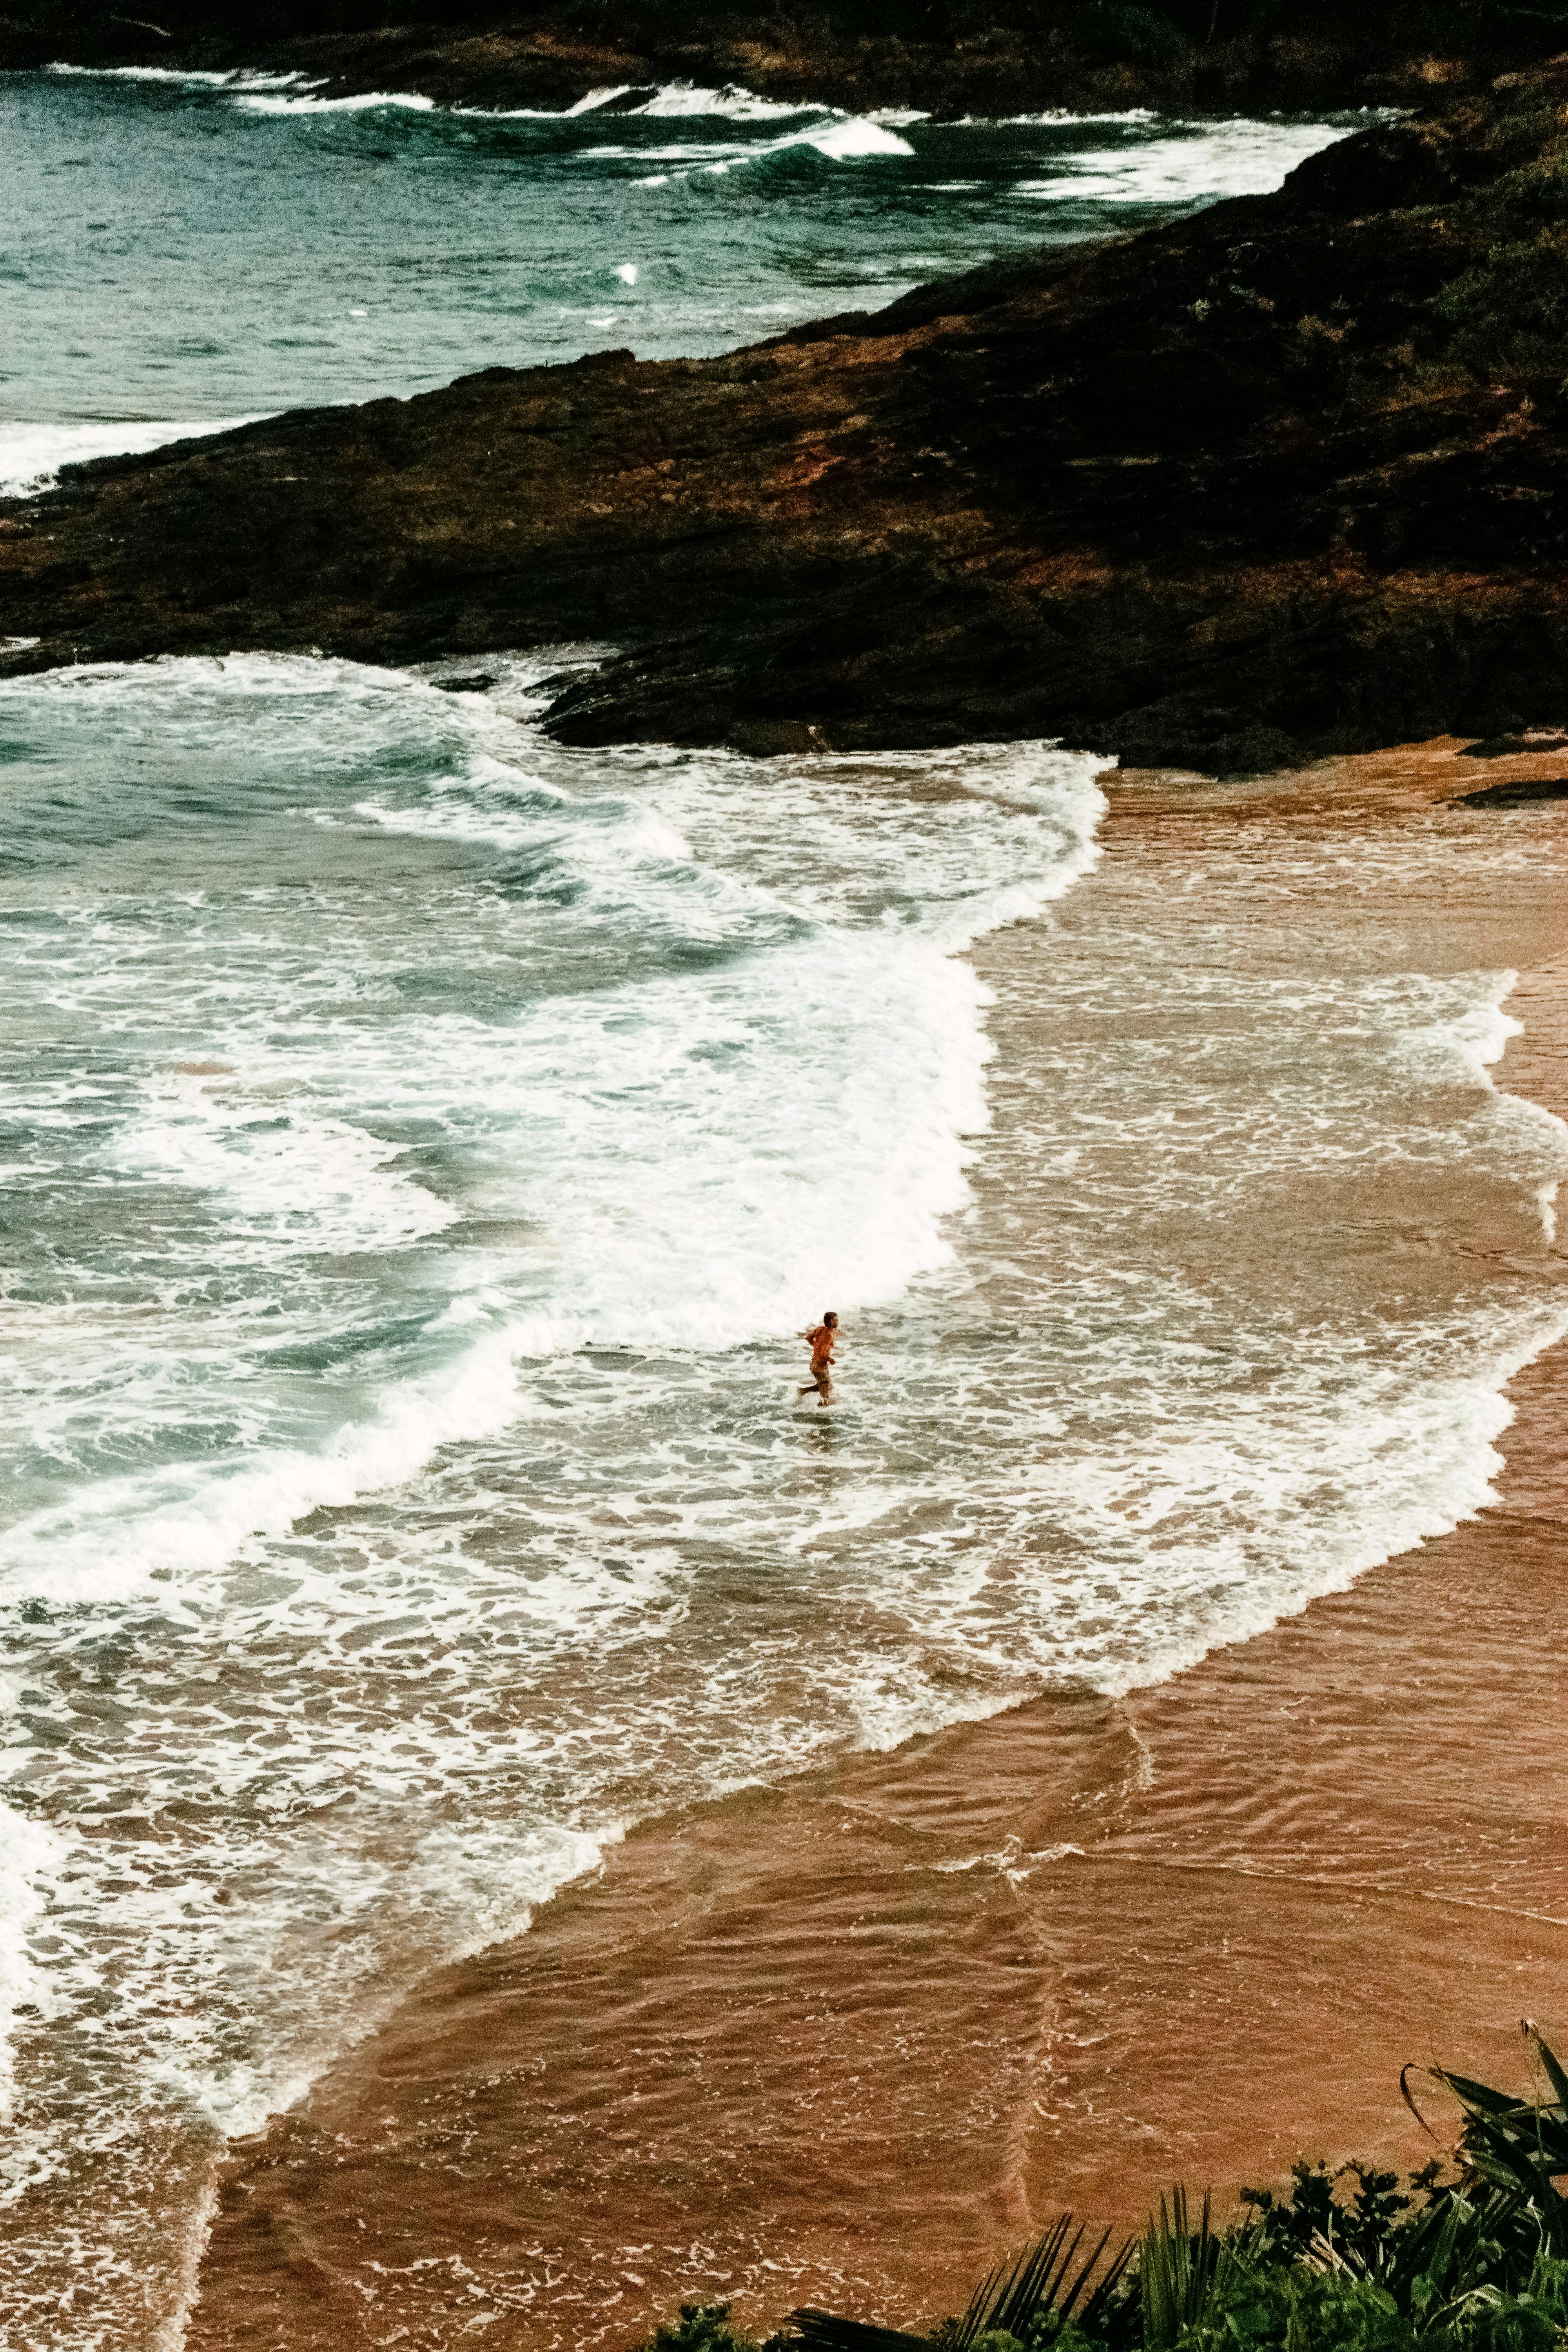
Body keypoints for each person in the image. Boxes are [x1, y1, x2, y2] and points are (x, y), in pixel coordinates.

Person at [798, 1311, 839, 1406]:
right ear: (831, 1322)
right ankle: (821, 1409)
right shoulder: (828, 1335)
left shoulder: (820, 1329)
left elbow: (809, 1337)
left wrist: (816, 1346)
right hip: (820, 1366)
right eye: (835, 1320)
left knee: (828, 1386)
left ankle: (803, 1391)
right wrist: (830, 1359)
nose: (837, 1322)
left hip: (814, 1364)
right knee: (825, 1385)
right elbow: (823, 1353)